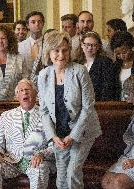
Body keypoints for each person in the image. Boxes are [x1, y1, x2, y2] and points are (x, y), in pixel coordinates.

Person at [38, 31, 101, 189]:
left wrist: (73, 136)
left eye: (65, 50)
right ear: (49, 52)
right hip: (59, 134)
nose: (61, 54)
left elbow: (88, 107)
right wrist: (52, 136)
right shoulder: (43, 75)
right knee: (61, 178)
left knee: (73, 173)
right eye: (56, 50)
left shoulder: (79, 71)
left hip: (82, 131)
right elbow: (44, 111)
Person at [0, 79, 53, 189]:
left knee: (40, 169)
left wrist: (42, 154)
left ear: (35, 94)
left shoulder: (46, 116)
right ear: (17, 97)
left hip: (35, 162)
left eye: (27, 90)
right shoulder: (6, 116)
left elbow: (53, 145)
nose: (24, 92)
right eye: (21, 90)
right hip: (12, 162)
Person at [101, 73, 134, 189]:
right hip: (132, 154)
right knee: (106, 181)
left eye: (128, 94)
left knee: (119, 182)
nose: (127, 100)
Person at [77, 31, 119, 101]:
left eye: (93, 45)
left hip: (98, 104)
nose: (90, 48)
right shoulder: (76, 62)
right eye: (87, 44)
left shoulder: (105, 62)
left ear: (98, 46)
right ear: (82, 45)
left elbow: (107, 88)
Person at [18, 11, 45, 77]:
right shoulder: (20, 46)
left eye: (39, 22)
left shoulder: (49, 44)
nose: (37, 24)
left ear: (43, 24)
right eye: (33, 22)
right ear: (27, 26)